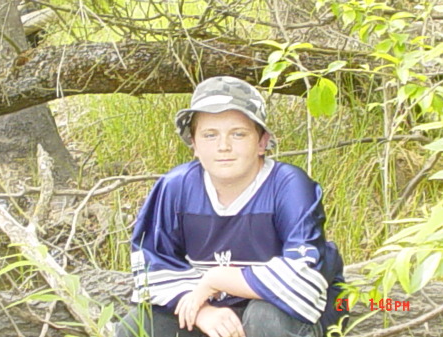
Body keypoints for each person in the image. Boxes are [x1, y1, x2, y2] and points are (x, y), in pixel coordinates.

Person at [115, 76, 347, 337]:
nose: (224, 146)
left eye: (238, 134)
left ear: (262, 142)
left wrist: (217, 279)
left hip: (289, 313)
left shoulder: (289, 186)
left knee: (264, 318)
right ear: (194, 144)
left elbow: (303, 276)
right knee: (139, 327)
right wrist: (202, 310)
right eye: (210, 135)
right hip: (214, 308)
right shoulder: (175, 187)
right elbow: (151, 266)